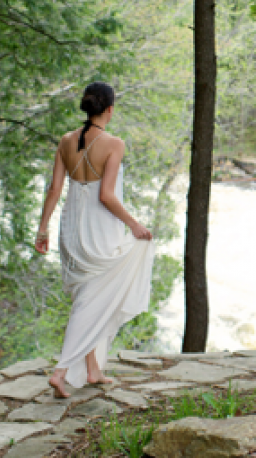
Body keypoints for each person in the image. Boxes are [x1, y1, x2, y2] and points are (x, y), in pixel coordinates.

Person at [35, 82, 155, 398]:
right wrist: (135, 225)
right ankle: (61, 372)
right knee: (94, 298)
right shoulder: (114, 143)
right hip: (101, 229)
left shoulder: (65, 141)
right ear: (110, 109)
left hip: (72, 228)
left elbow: (54, 190)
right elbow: (106, 196)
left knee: (88, 298)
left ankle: (92, 370)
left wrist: (42, 228)